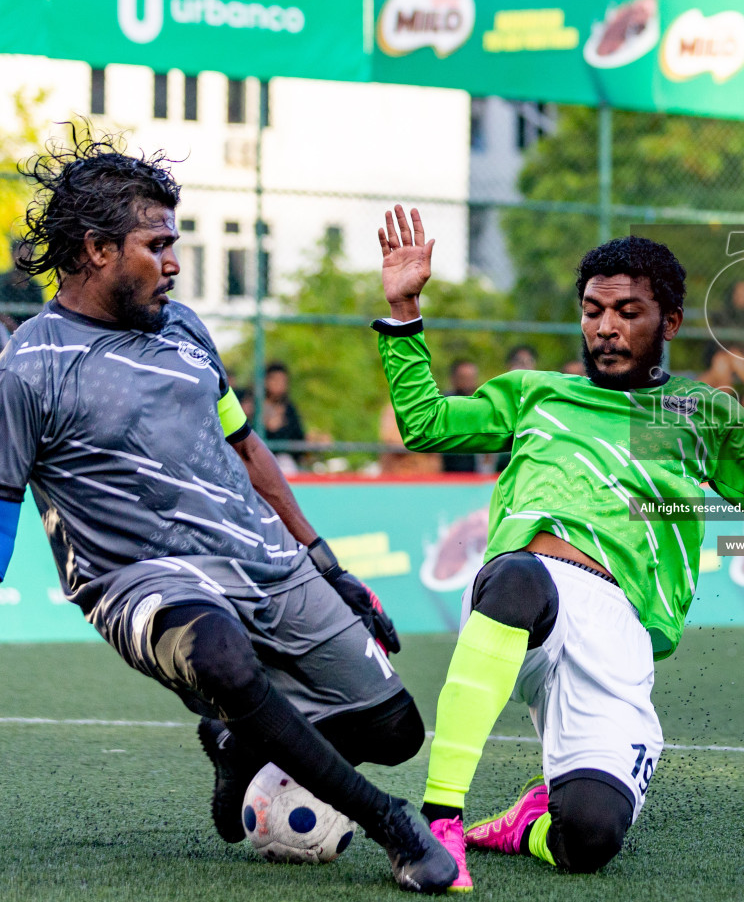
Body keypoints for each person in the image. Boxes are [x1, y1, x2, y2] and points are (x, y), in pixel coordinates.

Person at [371, 207, 744, 886]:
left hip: (618, 634)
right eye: (592, 310)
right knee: (516, 578)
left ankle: (532, 822)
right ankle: (439, 827)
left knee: (591, 838)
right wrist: (404, 310)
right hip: (521, 599)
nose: (605, 326)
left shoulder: (700, 414)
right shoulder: (536, 395)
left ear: (667, 322)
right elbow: (425, 424)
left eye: (627, 310)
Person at [0, 139, 454, 892]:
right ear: (96, 249)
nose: (174, 263)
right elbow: (4, 503)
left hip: (264, 559)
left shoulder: (185, 332)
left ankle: (239, 744)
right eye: (158, 245)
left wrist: (323, 561)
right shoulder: (28, 366)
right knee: (218, 655)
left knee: (395, 727)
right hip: (140, 580)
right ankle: (393, 826)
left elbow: (247, 448)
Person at [260, 361, 306, 470]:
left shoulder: (289, 408)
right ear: (266, 381)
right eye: (275, 380)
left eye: (282, 381)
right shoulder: (253, 406)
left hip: (284, 461)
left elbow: (298, 436)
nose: (279, 384)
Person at [441, 359, 483, 474]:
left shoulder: (482, 402)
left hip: (477, 468)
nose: (468, 382)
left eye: (471, 377)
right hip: (448, 468)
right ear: (453, 378)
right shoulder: (445, 403)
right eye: (463, 378)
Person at [0, 238, 45, 332]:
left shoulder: (34, 286)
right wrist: (12, 327)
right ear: (13, 254)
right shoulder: (2, 281)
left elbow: (38, 314)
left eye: (29, 254)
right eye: (21, 253)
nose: (25, 257)